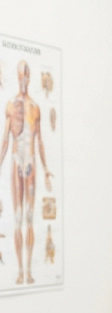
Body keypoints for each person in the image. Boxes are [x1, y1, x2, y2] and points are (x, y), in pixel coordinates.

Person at [0, 60, 54, 285]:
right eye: (21, 75)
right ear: (17, 76)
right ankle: (20, 271)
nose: (23, 79)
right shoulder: (11, 105)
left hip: (31, 162)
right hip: (16, 162)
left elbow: (39, 141)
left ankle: (29, 271)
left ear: (30, 78)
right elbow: (5, 140)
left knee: (30, 218)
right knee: (18, 218)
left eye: (26, 75)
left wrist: (46, 169)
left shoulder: (35, 108)